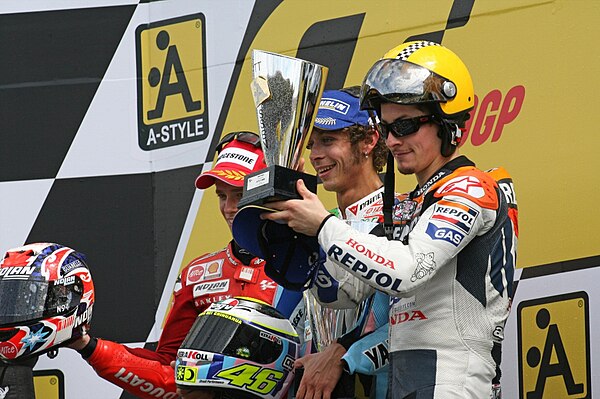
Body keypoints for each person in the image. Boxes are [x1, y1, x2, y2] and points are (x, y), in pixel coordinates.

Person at [263, 41, 518, 398]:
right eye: (387, 128)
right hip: (406, 379)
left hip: (453, 379)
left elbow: (408, 271)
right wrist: (302, 233)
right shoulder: (416, 203)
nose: (394, 140)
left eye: (407, 125)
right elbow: (342, 294)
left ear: (448, 122)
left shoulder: (472, 188)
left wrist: (323, 225)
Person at [68, 132, 304, 399]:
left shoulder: (305, 261)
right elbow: (169, 367)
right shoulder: (197, 275)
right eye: (222, 196)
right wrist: (89, 346)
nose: (229, 208)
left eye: (239, 194)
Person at [294, 87, 391, 399]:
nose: (315, 155)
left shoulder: (400, 215)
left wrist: (343, 355)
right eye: (312, 145)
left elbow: (411, 324)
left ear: (368, 141)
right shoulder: (317, 222)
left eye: (328, 140)